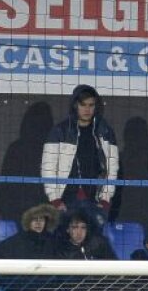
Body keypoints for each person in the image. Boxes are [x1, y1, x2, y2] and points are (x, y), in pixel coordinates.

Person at [40, 84, 118, 215]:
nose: (87, 109)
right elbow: (48, 167)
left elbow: (112, 167)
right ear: (75, 105)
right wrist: (55, 200)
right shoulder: (60, 131)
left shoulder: (105, 131)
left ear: (96, 106)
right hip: (65, 201)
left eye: (91, 105)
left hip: (94, 201)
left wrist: (105, 200)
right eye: (83, 104)